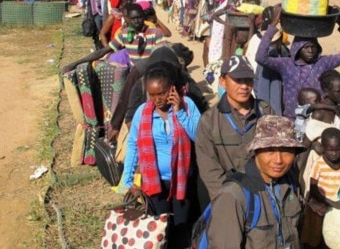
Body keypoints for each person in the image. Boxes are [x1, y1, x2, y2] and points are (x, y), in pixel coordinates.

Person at [120, 62, 201, 249]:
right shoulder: (143, 112)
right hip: (154, 183)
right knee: (158, 229)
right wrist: (128, 179)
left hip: (181, 181)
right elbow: (133, 145)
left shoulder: (188, 106)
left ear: (173, 88)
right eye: (152, 94)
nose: (157, 99)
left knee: (181, 228)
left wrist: (179, 111)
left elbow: (198, 135)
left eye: (162, 93)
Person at [205, 115, 304, 248]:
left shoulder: (290, 184)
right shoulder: (233, 195)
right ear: (256, 150)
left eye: (286, 151)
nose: (279, 160)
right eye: (270, 150)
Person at [195, 55, 273, 204]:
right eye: (238, 80)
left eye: (248, 80)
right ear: (222, 81)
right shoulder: (209, 121)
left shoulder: (266, 112)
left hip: (262, 196)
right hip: (226, 198)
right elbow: (210, 170)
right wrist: (229, 200)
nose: (244, 86)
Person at [255, 8, 340, 118]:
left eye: (313, 47)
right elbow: (261, 57)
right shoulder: (286, 65)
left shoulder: (323, 62)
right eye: (306, 47)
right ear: (297, 49)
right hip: (292, 118)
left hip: (319, 117)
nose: (310, 50)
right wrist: (273, 25)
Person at [61, 3, 169, 72]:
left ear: (144, 17)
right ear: (128, 20)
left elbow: (165, 55)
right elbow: (103, 51)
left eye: (139, 17)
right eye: (133, 19)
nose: (136, 21)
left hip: (153, 73)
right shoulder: (125, 34)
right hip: (134, 76)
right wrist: (74, 64)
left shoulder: (155, 33)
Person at [301, 127, 340, 248]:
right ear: (323, 147)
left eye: (337, 149)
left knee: (332, 236)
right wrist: (331, 203)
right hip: (319, 206)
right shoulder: (319, 164)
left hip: (335, 204)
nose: (334, 153)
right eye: (330, 150)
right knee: (315, 237)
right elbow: (313, 189)